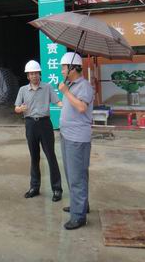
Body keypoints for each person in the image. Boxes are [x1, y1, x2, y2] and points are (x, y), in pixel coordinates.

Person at [15, 60, 63, 202]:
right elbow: (16, 108)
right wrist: (20, 109)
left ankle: (57, 189)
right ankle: (34, 187)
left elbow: (57, 102)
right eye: (31, 74)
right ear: (28, 76)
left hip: (45, 124)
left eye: (36, 73)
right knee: (34, 157)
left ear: (40, 74)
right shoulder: (23, 90)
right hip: (30, 124)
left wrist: (67, 106)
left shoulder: (47, 87)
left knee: (51, 156)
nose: (34, 76)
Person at [58, 52, 94, 230]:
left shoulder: (84, 86)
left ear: (72, 68)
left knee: (77, 177)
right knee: (72, 174)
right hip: (67, 135)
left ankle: (78, 216)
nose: (62, 71)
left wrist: (65, 92)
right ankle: (80, 205)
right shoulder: (71, 85)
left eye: (63, 67)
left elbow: (81, 107)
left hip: (77, 138)